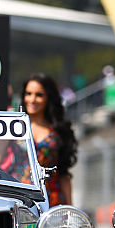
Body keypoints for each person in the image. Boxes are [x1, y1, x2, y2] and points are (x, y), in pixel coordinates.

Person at [9, 73, 76, 206]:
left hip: (51, 200)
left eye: (39, 95)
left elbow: (63, 173)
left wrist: (70, 208)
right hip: (18, 197)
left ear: (48, 98)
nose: (32, 99)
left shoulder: (58, 130)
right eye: (28, 94)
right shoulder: (13, 126)